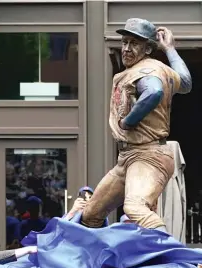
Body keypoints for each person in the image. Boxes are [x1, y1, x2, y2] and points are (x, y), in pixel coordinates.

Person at [81, 18, 191, 232]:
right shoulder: (160, 69)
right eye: (124, 42)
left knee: (134, 207)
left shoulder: (145, 70)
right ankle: (96, 261)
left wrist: (129, 120)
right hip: (128, 159)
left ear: (148, 48)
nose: (127, 48)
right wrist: (170, 50)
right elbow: (185, 83)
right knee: (90, 214)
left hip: (148, 156)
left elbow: (154, 91)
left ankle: (168, 256)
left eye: (135, 43)